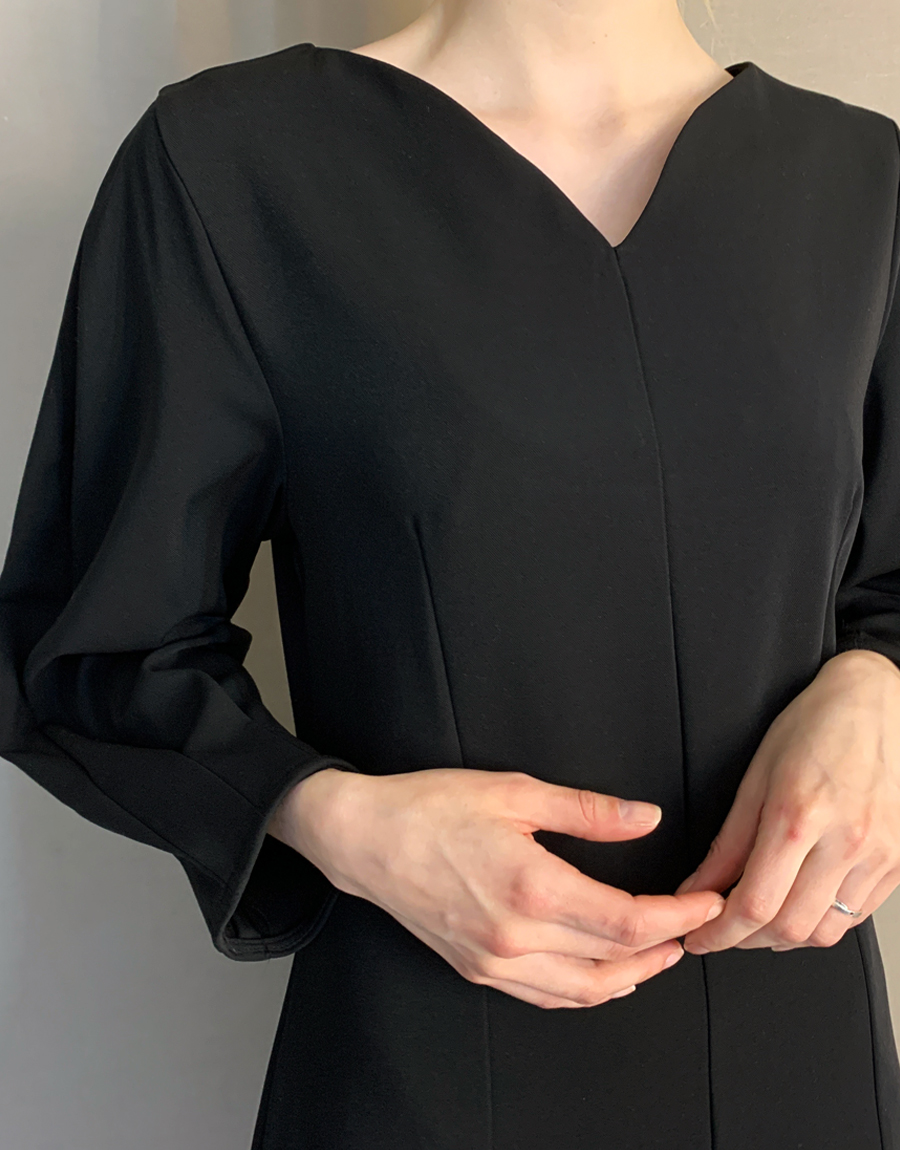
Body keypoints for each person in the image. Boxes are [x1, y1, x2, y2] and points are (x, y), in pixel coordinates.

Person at [2, 1, 900, 1146]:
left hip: (802, 1049)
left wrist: (879, 687)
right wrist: (337, 818)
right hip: (427, 1050)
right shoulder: (237, 165)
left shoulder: (863, 179)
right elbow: (95, 642)